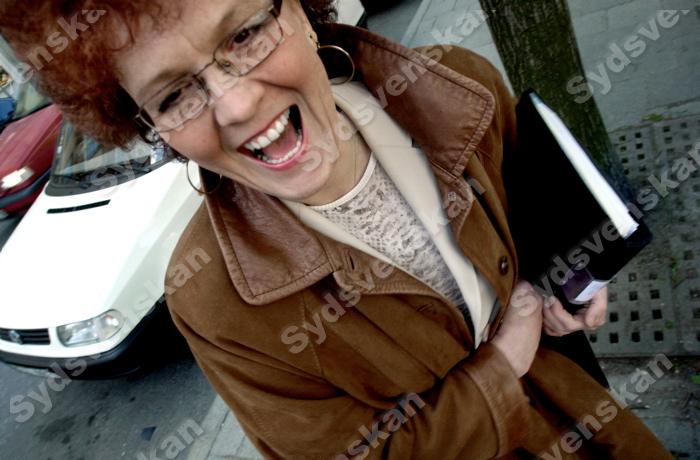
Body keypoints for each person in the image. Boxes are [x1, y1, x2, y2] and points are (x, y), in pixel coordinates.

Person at [0, 1, 674, 458]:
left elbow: (528, 229)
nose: (236, 105)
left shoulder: (454, 86)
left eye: (244, 35)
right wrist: (504, 364)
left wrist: (572, 283)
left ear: (300, 10)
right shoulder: (214, 302)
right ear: (150, 127)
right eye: (175, 96)